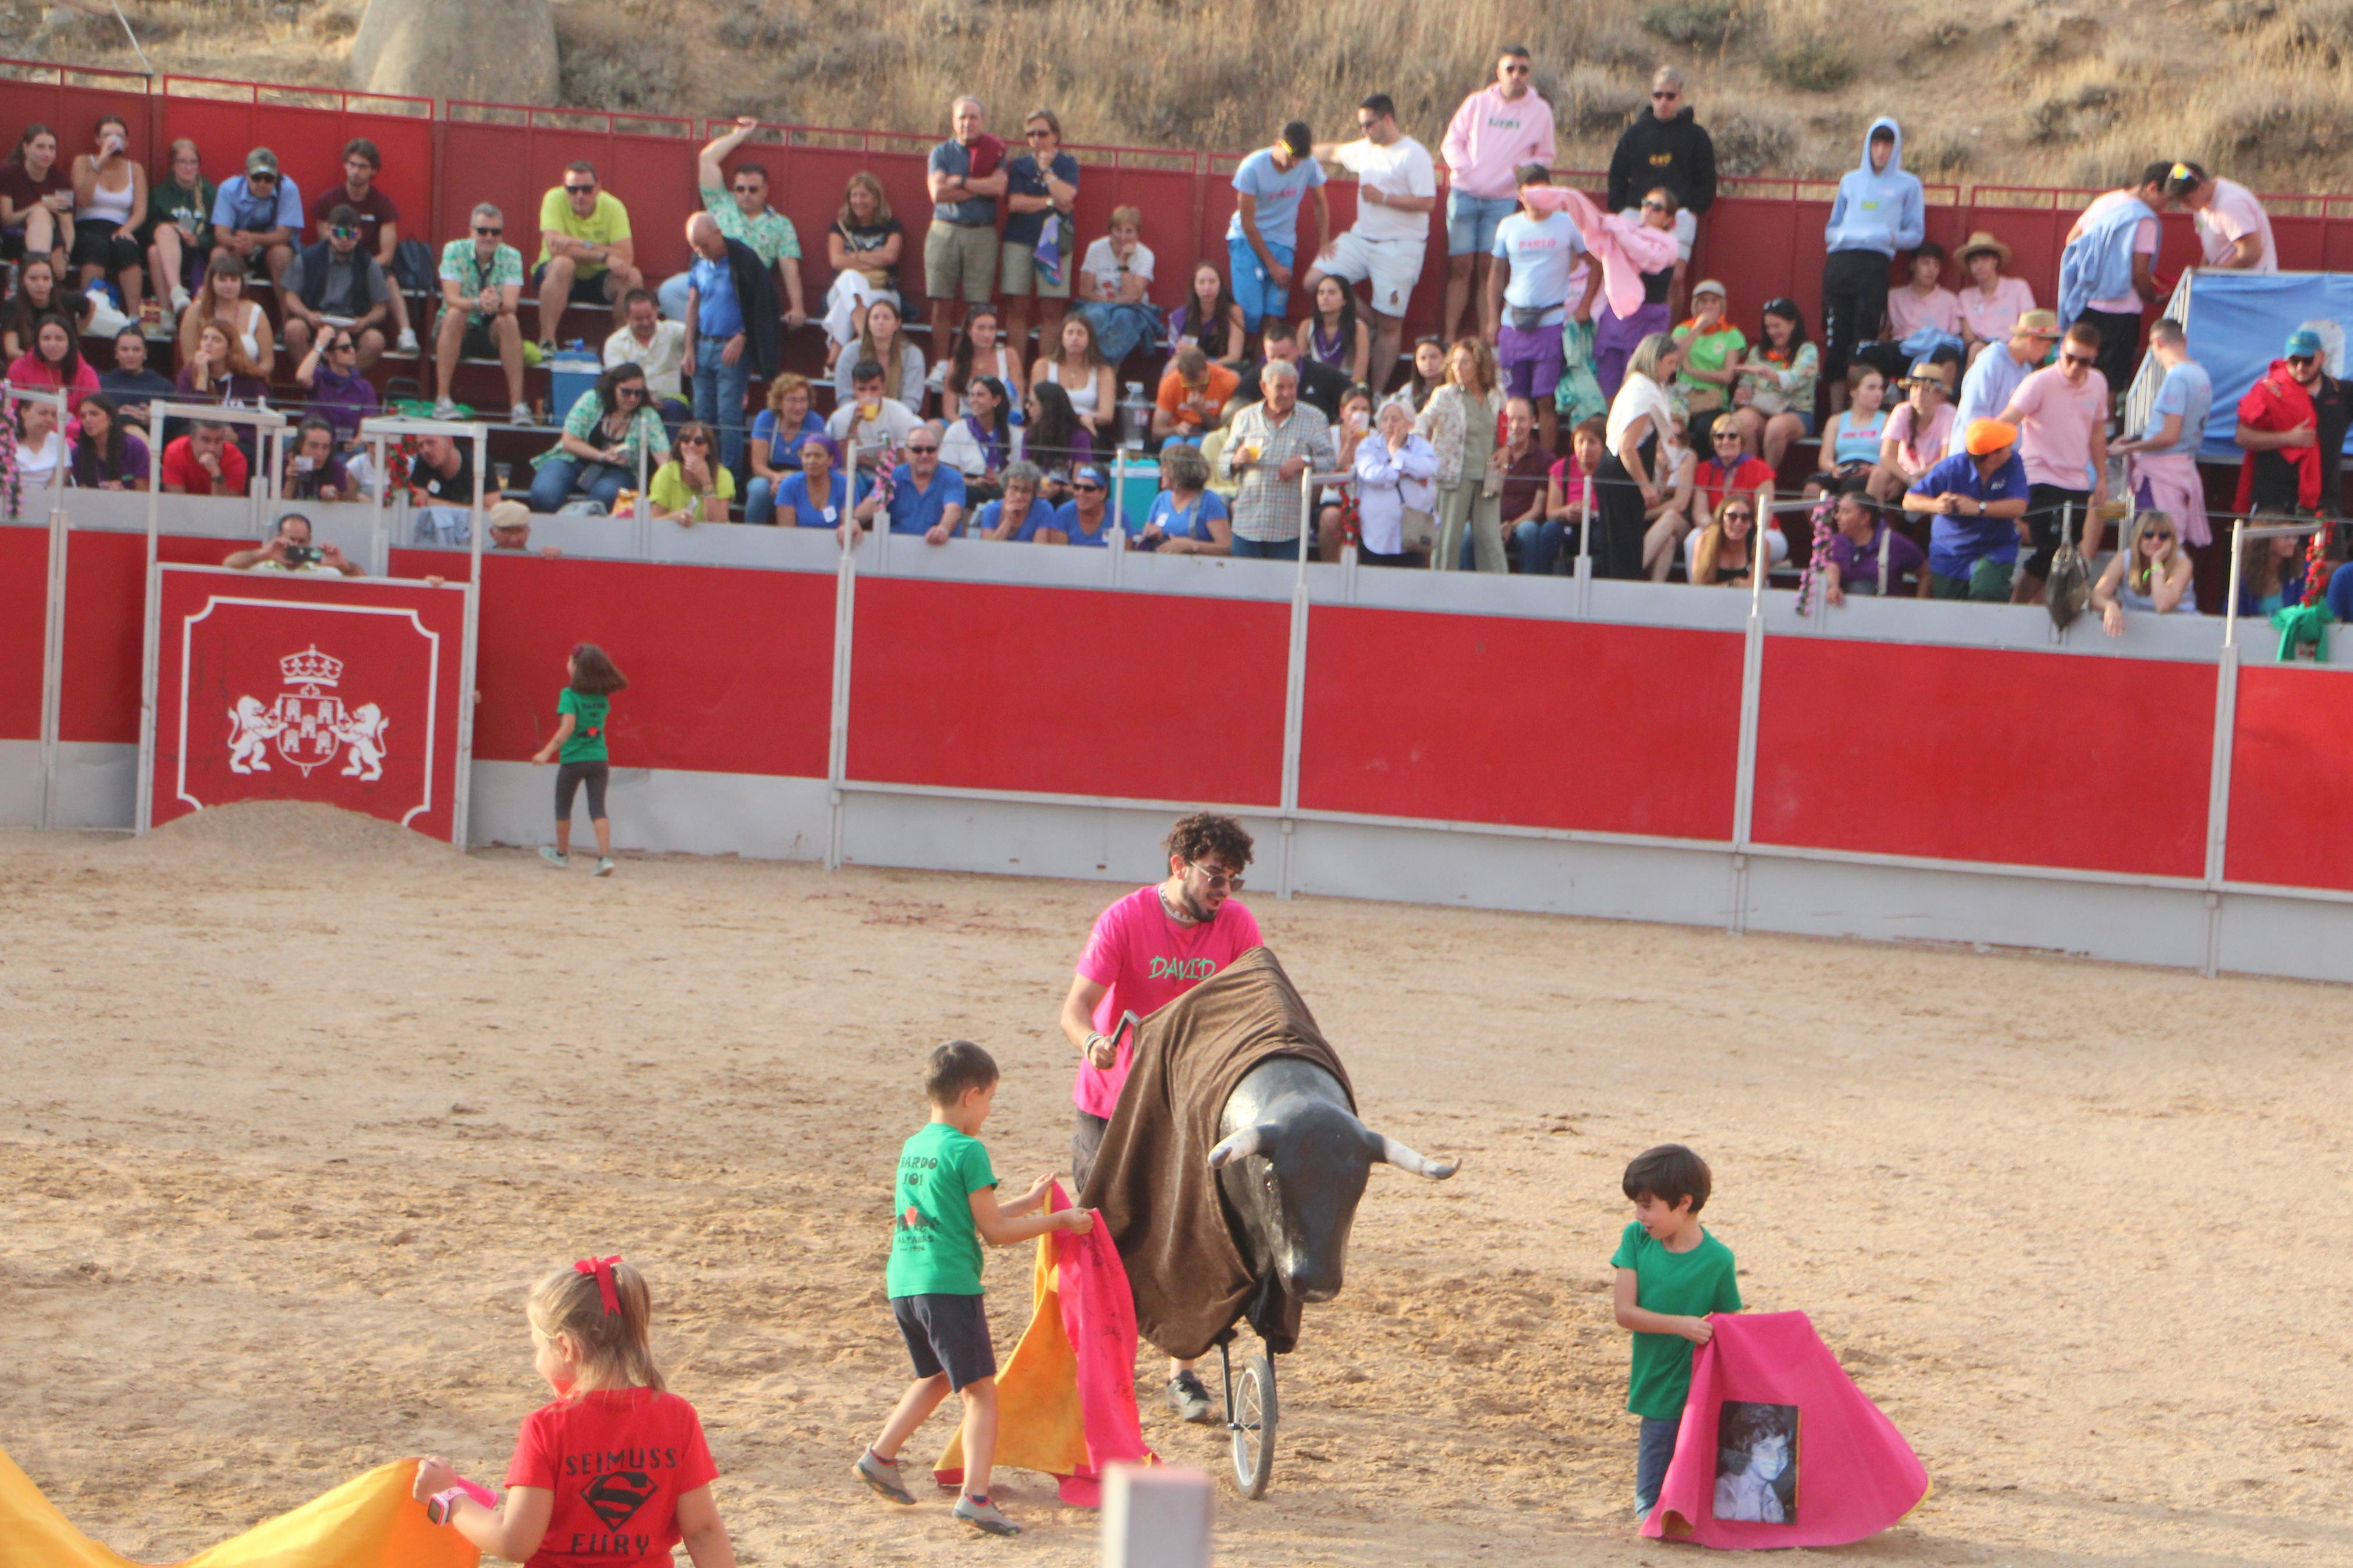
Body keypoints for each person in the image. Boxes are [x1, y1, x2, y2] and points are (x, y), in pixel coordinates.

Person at [1057, 814, 1260, 1421]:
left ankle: (1182, 1373)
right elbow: (1076, 1007)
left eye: (1233, 880)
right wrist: (1093, 1044)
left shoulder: (1236, 925)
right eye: (1215, 877)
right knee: (1103, 1237)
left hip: (1188, 1106)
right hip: (1111, 1105)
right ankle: (1096, 1368)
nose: (1223, 892)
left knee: (1191, 1237)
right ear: (1179, 866)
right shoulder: (1124, 918)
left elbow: (1256, 1004)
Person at [858, 1039, 1094, 1538]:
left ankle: (880, 1456)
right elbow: (994, 1233)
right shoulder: (968, 1149)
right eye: (990, 1098)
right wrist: (1061, 1220)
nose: (988, 1110)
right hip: (949, 1285)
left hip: (906, 1282)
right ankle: (976, 1497)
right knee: (983, 1394)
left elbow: (965, 1215)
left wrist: (1028, 1202)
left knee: (938, 1377)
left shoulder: (915, 1145)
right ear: (971, 1095)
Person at [408, 1256, 732, 1563]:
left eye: (537, 1348)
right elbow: (703, 1531)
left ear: (565, 1346)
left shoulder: (547, 1427)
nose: (536, 1363)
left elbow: (514, 1542)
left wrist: (450, 1497)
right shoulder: (677, 1416)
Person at [1613, 1143, 1740, 1525]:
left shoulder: (1718, 1259)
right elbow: (1624, 1312)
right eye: (1637, 1205)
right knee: (1648, 1502)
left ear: (1683, 1202)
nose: (1639, 1215)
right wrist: (1683, 1324)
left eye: (1647, 1205)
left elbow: (1730, 1326)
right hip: (1655, 1386)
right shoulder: (1635, 1238)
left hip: (1698, 1390)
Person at [1305, 94, 1436, 392]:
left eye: (1368, 125)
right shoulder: (1366, 149)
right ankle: (1367, 320)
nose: (1363, 131)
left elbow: (1428, 201)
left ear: (1387, 119)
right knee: (1315, 281)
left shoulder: (1412, 154)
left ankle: (1373, 393)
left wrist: (1385, 199)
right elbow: (1336, 152)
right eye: (1361, 126)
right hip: (1362, 237)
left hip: (1399, 245)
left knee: (1392, 324)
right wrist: (1296, 149)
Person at [1441, 45, 1556, 346]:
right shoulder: (1477, 103)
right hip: (1464, 194)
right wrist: (1465, 169)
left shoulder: (1540, 110)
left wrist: (1518, 177)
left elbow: (1545, 155)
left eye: (1523, 70)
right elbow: (1452, 142)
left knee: (1490, 269)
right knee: (1460, 267)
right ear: (1498, 72)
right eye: (1510, 69)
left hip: (1503, 200)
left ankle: (1484, 341)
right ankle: (1450, 339)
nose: (1516, 76)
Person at [1997, 319, 2113, 600]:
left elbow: (2097, 434)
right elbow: (2008, 421)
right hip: (2040, 474)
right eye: (2070, 358)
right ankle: (2020, 603)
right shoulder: (2039, 382)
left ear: (2094, 358)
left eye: (2083, 362)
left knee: (2063, 551)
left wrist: (2102, 479)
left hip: (2076, 478)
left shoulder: (2098, 382)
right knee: (2050, 544)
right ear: (2060, 351)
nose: (2074, 367)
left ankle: (2031, 606)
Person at [1488, 162, 1596, 453]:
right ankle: (1509, 458)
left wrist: (1584, 304)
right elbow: (1496, 273)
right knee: (1512, 401)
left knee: (1546, 400)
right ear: (1520, 194)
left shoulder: (1566, 223)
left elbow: (1595, 262)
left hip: (1550, 321)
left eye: (1542, 188)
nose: (1537, 195)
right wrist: (1491, 319)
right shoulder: (1509, 226)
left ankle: (1547, 464)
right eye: (1530, 190)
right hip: (1513, 321)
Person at [664, 118, 807, 331]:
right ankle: (700, 334)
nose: (746, 195)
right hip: (710, 274)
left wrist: (798, 307)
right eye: (740, 189)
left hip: (747, 284)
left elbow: (789, 267)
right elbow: (707, 158)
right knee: (669, 291)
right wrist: (738, 135)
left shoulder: (781, 224)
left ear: (766, 191)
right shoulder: (721, 203)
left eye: (753, 189)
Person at [1820, 119, 1924, 406]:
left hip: (1875, 265)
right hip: (1841, 262)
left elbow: (1916, 234)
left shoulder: (1909, 184)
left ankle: (1861, 412)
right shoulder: (1850, 180)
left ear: (1896, 147)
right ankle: (1836, 417)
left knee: (1864, 341)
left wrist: (1886, 236)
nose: (1881, 151)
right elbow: (1831, 228)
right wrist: (1845, 235)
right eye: (1876, 144)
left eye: (1887, 145)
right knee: (1836, 340)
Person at [681, 212, 785, 476]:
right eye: (696, 247)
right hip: (704, 343)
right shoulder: (699, 262)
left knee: (729, 416)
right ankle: (701, 471)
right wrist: (688, 348)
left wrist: (744, 336)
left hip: (732, 347)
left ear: (718, 233)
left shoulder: (743, 259)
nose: (702, 251)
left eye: (705, 245)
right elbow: (693, 304)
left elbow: (762, 305)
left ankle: (729, 476)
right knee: (702, 415)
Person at [1606, 66, 1716, 316]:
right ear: (1651, 96)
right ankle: (1625, 327)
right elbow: (1617, 174)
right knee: (1624, 272)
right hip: (1637, 212)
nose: (1663, 102)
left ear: (1680, 98)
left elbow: (1707, 179)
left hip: (1678, 216)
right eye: (1658, 95)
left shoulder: (1696, 136)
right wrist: (1622, 208)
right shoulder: (1634, 134)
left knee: (1675, 277)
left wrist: (1693, 210)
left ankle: (1666, 338)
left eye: (1670, 96)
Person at [2058, 162, 2169, 397]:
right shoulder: (2145, 220)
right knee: (2110, 379)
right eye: (2166, 199)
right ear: (2152, 188)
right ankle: (2105, 428)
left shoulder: (2105, 201)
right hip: (2121, 310)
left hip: (2085, 300)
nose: (2166, 207)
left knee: (2078, 368)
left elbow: (2072, 240)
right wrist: (2154, 297)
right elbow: (2140, 273)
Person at [2109, 318, 2212, 548]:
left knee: (2153, 546)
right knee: (2172, 543)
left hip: (2161, 475)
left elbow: (2169, 436)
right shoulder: (2201, 375)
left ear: (2156, 343)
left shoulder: (2177, 378)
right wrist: (2138, 440)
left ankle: (2152, 584)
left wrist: (2127, 448)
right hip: (2182, 467)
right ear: (2183, 342)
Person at [308, 137, 418, 354]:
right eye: (352, 164)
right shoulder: (328, 201)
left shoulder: (383, 205)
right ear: (345, 165)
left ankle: (406, 333)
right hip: (334, 262)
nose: (356, 171)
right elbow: (324, 243)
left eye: (363, 166)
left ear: (374, 171)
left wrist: (362, 265)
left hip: (370, 266)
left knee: (389, 277)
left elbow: (387, 255)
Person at [1218, 359, 1334, 560]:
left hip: (1289, 527)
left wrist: (1305, 461)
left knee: (1285, 588)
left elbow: (1330, 460)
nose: (1287, 393)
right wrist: (1236, 459)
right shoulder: (1244, 417)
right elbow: (1222, 465)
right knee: (1242, 586)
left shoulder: (1314, 418)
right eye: (1280, 387)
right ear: (1264, 387)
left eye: (1292, 386)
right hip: (1249, 523)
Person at [924, 97, 1009, 369]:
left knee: (978, 307)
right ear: (953, 121)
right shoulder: (941, 153)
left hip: (982, 233)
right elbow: (938, 193)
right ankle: (940, 365)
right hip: (945, 230)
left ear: (982, 121)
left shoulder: (995, 150)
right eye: (962, 117)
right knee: (942, 302)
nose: (967, 123)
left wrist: (960, 182)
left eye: (973, 117)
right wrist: (978, 187)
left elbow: (999, 188)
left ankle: (967, 365)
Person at [1905, 417, 2031, 600]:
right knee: (1949, 610)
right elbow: (1909, 500)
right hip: (1951, 552)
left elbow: (2019, 506)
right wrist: (1935, 505)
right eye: (2006, 446)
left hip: (1996, 548)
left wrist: (1979, 508)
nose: (2011, 448)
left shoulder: (2013, 462)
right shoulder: (1950, 468)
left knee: (1988, 590)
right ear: (1991, 457)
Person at [530, 643, 628, 872]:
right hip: (598, 759)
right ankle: (604, 857)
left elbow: (568, 727)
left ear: (576, 667)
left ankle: (563, 853)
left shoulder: (569, 695)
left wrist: (546, 752)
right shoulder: (602, 698)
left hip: (573, 759)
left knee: (563, 807)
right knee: (598, 809)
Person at [429, 201, 528, 423]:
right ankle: (442, 400)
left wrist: (494, 305)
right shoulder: (454, 250)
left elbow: (511, 304)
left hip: (491, 328)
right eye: (483, 231)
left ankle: (518, 407)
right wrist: (479, 302)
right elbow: (451, 298)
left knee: (509, 320)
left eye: (496, 232)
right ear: (471, 231)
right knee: (455, 314)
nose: (489, 237)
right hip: (455, 329)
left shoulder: (512, 256)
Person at [1226, 121, 1329, 336]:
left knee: (1274, 314)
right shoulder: (1252, 167)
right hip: (1247, 240)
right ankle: (1238, 358)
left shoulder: (1308, 165)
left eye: (1300, 158)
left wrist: (1324, 243)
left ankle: (1266, 363)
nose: (1294, 163)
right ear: (1278, 144)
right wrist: (1271, 265)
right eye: (1291, 156)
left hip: (1283, 241)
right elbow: (1247, 222)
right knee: (1250, 314)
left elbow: (1321, 203)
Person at [1414, 337, 1507, 573]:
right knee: (1448, 539)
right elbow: (1424, 420)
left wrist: (1507, 448)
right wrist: (1414, 447)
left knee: (1489, 538)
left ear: (1480, 364)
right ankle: (1441, 593)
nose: (1457, 368)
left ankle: (1498, 592)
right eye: (1454, 362)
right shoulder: (1445, 394)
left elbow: (1508, 427)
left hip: (1488, 475)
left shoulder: (1497, 394)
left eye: (1464, 362)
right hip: (1454, 473)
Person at [1595, 333, 1681, 579]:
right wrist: (1646, 486)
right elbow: (1627, 447)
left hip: (1620, 471)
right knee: (1624, 548)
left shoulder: (1637, 386)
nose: (1673, 370)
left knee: (1625, 545)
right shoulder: (1642, 393)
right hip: (1623, 475)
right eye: (1670, 363)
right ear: (1655, 360)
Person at [530, 362, 669, 514]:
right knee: (544, 494)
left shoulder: (647, 415)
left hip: (620, 470)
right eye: (626, 392)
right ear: (613, 387)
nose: (632, 398)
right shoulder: (592, 400)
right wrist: (602, 456)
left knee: (604, 497)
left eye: (638, 393)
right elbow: (569, 441)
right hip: (572, 459)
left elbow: (664, 459)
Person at [1000, 108, 1079, 366]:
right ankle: (1015, 372)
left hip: (1055, 242)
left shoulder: (1067, 164)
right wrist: (1049, 200)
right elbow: (1015, 204)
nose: (1036, 139)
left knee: (1052, 309)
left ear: (1055, 135)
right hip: (1019, 240)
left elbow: (1067, 197)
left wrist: (1046, 171)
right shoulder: (1020, 165)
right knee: (1016, 307)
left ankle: (1044, 374)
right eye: (1030, 134)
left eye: (1042, 133)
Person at [534, 161, 641, 350]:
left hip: (599, 279)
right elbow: (555, 247)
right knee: (563, 264)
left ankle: (620, 348)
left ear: (598, 188)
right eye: (573, 190)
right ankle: (547, 343)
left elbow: (626, 256)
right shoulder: (553, 198)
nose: (579, 196)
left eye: (586, 189)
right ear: (564, 188)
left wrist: (580, 243)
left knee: (632, 276)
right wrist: (604, 255)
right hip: (557, 276)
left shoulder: (613, 207)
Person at [279, 203, 392, 368]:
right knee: (293, 329)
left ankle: (345, 380)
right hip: (316, 322)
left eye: (350, 234)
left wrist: (365, 321)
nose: (344, 239)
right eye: (338, 233)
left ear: (359, 234)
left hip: (352, 326)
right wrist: (307, 314)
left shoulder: (368, 263)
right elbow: (290, 296)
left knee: (375, 341)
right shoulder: (307, 258)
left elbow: (381, 306)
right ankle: (315, 377)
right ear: (328, 232)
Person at [1593, 189, 1680, 401]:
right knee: (1609, 379)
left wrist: (1619, 232)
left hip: (1649, 319)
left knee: (1643, 380)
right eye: (1646, 203)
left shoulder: (1669, 244)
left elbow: (1644, 254)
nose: (1649, 210)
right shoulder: (1626, 231)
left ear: (1668, 218)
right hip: (1620, 315)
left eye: (1657, 207)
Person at [2233, 329, 2327, 520]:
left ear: (2321, 357)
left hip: (2321, 500)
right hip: (2271, 496)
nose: (2301, 367)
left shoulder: (2338, 393)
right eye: (2294, 361)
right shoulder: (2268, 389)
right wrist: (2288, 438)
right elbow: (2242, 436)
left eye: (2308, 360)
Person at [1947, 308, 2059, 457]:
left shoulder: (2026, 370)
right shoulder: (1990, 363)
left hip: (2003, 461)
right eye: (2047, 345)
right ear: (2032, 339)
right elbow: (1973, 416)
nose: (2047, 352)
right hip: (1975, 459)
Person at [68, 116, 145, 323]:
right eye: (108, 136)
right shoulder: (84, 162)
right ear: (97, 140)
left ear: (127, 142)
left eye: (119, 136)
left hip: (120, 226)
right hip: (88, 227)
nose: (114, 140)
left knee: (127, 248)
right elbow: (82, 200)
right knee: (97, 246)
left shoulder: (135, 169)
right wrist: (100, 162)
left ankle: (135, 317)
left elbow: (140, 210)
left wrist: (127, 229)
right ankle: (86, 314)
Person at [824, 173, 904, 354]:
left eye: (864, 195)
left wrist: (855, 258)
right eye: (854, 195)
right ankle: (864, 337)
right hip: (842, 290)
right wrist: (875, 260)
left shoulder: (892, 227)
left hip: (881, 291)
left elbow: (890, 257)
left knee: (847, 298)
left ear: (876, 200)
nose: (858, 201)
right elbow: (836, 261)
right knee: (849, 280)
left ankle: (834, 356)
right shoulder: (840, 227)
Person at [851, 424, 966, 546]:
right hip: (897, 550)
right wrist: (855, 521)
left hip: (938, 549)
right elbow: (874, 502)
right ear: (906, 453)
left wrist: (943, 529)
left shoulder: (952, 478)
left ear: (938, 451)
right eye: (917, 450)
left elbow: (954, 510)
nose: (924, 455)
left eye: (931, 450)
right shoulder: (893, 475)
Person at [1074, 204, 1159, 366]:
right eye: (1118, 230)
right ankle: (1090, 367)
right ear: (1111, 230)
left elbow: (1134, 297)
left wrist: (1123, 264)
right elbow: (1085, 291)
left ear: (1137, 234)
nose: (1123, 237)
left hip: (1134, 308)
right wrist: (1112, 303)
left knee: (1123, 319)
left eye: (1129, 231)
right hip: (1098, 303)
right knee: (1096, 317)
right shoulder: (1096, 248)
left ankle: (1107, 371)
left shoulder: (1146, 255)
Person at [1519, 415, 1603, 575]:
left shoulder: (1609, 471)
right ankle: (1543, 579)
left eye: (1592, 442)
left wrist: (1592, 514)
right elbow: (1551, 512)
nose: (1585, 448)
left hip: (1597, 525)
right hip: (1569, 525)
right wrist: (1567, 511)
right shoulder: (1561, 468)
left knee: (1602, 537)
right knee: (1549, 530)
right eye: (1581, 442)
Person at [139, 138, 214, 317]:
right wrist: (173, 227)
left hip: (198, 254)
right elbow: (144, 231)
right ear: (173, 165)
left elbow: (220, 231)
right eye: (182, 162)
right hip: (170, 253)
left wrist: (199, 240)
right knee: (154, 250)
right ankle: (169, 310)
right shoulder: (159, 194)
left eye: (193, 162)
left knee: (160, 240)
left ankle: (174, 295)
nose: (188, 167)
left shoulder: (210, 193)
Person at [2091, 510, 2197, 634]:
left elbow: (2163, 605)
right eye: (2149, 535)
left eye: (2163, 536)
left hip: (2181, 630)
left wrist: (2156, 562)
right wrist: (2110, 606)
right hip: (2136, 632)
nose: (2156, 541)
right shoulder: (2124, 559)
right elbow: (2095, 597)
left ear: (2171, 540)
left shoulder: (2182, 562)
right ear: (2138, 537)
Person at [207, 147, 299, 287]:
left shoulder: (288, 189)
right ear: (246, 174)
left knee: (281, 253)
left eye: (268, 179)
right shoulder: (228, 189)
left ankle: (286, 309)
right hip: (238, 249)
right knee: (219, 254)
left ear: (276, 177)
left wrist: (254, 239)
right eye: (257, 178)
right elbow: (221, 234)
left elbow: (284, 235)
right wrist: (238, 243)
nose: (262, 183)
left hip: (271, 249)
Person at [176, 254, 274, 382]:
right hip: (208, 383)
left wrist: (247, 382)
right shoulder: (195, 311)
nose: (229, 285)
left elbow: (267, 363)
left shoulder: (256, 312)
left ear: (241, 282)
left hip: (247, 384)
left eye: (234, 280)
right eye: (222, 280)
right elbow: (189, 361)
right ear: (211, 281)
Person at [1819, 482, 1924, 602]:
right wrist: (1833, 587)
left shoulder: (1895, 543)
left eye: (1845, 511)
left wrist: (1920, 605)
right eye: (1838, 511)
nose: (1837, 517)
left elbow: (1925, 573)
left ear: (1865, 518)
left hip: (1886, 614)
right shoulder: (1835, 543)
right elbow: (1831, 565)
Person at [1669, 278, 1742, 448]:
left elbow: (1727, 376)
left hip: (1712, 400)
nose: (1708, 306)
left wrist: (1692, 371)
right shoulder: (1683, 330)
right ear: (1695, 305)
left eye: (1714, 301)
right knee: (1671, 427)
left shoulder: (1731, 335)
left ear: (1721, 305)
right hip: (1682, 398)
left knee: (1704, 430)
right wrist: (1698, 328)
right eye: (1703, 302)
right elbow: (1676, 358)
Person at [1230, 318, 1350, 422]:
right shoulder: (1255, 378)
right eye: (1272, 358)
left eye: (1283, 356)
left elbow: (1353, 399)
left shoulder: (1324, 374)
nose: (1277, 362)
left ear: (1297, 350)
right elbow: (1237, 407)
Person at [2166, 160, 2275, 275]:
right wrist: (2203, 276)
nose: (2185, 207)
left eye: (2187, 200)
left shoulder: (2231, 204)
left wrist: (2211, 273)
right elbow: (2210, 249)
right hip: (2225, 282)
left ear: (2202, 187)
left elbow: (2252, 252)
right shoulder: (2201, 204)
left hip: (2250, 284)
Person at [746, 374, 827, 523]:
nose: (799, 407)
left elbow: (819, 465)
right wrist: (776, 477)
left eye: (803, 400)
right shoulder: (766, 419)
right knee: (758, 490)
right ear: (779, 402)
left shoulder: (815, 422)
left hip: (805, 477)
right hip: (769, 476)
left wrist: (790, 480)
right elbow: (758, 466)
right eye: (792, 400)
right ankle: (751, 538)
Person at [604, 287, 691, 424]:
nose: (645, 322)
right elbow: (618, 381)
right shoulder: (615, 343)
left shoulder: (674, 331)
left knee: (675, 406)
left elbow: (698, 334)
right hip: (633, 402)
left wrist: (689, 351)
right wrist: (645, 400)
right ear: (626, 317)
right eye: (639, 319)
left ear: (656, 310)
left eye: (649, 316)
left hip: (669, 403)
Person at [1031, 312, 1115, 449]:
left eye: (1080, 334)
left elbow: (1106, 415)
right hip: (1051, 429)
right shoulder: (1043, 366)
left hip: (1087, 429)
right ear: (1062, 338)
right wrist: (1073, 419)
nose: (1075, 338)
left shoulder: (1103, 372)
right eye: (1070, 333)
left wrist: (1086, 420)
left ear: (1090, 339)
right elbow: (1036, 408)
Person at [1873, 360, 1953, 503]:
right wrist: (1908, 479)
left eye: (1927, 389)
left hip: (1934, 474)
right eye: (1915, 387)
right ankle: (1877, 522)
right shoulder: (1902, 411)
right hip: (1903, 474)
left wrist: (1918, 477)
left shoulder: (1949, 414)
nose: (1919, 393)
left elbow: (1945, 460)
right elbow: (1886, 457)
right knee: (1879, 475)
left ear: (1940, 395)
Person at [2, 123, 74, 280]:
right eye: (40, 147)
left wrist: (66, 254)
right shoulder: (8, 173)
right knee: (41, 213)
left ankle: (40, 278)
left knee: (57, 254)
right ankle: (39, 274)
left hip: (51, 236)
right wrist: (39, 206)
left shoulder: (61, 178)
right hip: (14, 235)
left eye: (51, 148)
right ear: (26, 147)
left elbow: (67, 224)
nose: (47, 153)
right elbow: (6, 219)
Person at [1954, 231, 2035, 361]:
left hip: (2012, 347)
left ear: (1995, 261)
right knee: (1976, 349)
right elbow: (1968, 336)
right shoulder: (1965, 296)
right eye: (1974, 262)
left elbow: (2028, 326)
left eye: (1985, 260)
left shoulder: (2018, 288)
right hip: (1979, 348)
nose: (1979, 266)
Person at [1140, 443, 1233, 556]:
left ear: (1180, 470)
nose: (1161, 470)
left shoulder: (1210, 501)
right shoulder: (1161, 499)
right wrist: (1149, 534)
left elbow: (1227, 548)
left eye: (1165, 466)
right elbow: (1142, 539)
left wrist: (1191, 546)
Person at [835, 296, 925, 411]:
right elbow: (845, 398)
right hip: (859, 415)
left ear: (897, 323)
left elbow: (912, 401)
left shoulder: (912, 354)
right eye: (875, 317)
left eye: (886, 318)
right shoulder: (850, 352)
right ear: (868, 323)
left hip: (898, 418)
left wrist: (888, 417)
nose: (881, 322)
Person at [1881, 240, 1961, 367]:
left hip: (1934, 350)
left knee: (1949, 354)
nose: (1931, 270)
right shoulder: (1894, 296)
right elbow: (1884, 332)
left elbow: (1954, 338)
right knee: (1862, 350)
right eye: (1926, 263)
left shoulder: (1950, 300)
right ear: (1912, 265)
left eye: (1936, 265)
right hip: (1901, 347)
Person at [294, 323, 381, 442]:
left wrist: (357, 442)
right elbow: (302, 377)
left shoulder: (364, 387)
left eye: (353, 346)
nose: (352, 351)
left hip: (349, 451)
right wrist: (319, 346)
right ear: (328, 354)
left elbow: (369, 426)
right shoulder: (319, 377)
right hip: (317, 447)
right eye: (345, 348)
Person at [830, 360, 925, 467]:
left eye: (874, 389)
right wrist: (854, 424)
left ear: (883, 388)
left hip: (891, 475)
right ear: (854, 390)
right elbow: (844, 463)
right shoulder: (841, 417)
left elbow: (905, 463)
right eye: (862, 389)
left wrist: (867, 462)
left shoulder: (900, 414)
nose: (868, 395)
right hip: (858, 474)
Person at [1812, 364, 1887, 496]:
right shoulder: (1836, 421)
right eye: (1871, 388)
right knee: (1812, 487)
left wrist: (1872, 470)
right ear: (1854, 391)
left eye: (1881, 388)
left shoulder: (1887, 420)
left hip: (1871, 470)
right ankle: (1820, 517)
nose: (1878, 394)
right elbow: (1825, 459)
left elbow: (1892, 457)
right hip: (1843, 468)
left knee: (1852, 486)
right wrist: (1834, 469)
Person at [943, 304, 1023, 421]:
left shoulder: (1009, 355)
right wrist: (968, 429)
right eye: (981, 328)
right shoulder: (957, 362)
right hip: (967, 422)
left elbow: (1018, 402)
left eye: (992, 328)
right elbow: (949, 411)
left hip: (1003, 421)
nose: (987, 335)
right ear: (969, 331)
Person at [6, 312, 99, 412]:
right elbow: (13, 409)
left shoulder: (86, 373)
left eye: (59, 339)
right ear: (37, 342)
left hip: (72, 427)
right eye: (46, 339)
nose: (52, 344)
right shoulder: (19, 368)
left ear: (70, 343)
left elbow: (92, 414)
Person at [938, 374, 1012, 500]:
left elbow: (1018, 474)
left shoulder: (1013, 434)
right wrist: (974, 482)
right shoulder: (957, 430)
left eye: (980, 395)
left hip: (1002, 492)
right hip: (967, 490)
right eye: (972, 395)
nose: (974, 400)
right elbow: (947, 474)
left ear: (996, 400)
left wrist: (1000, 481)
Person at [771, 433, 867, 529]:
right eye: (807, 456)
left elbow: (847, 529)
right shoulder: (789, 485)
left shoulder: (846, 485)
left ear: (831, 459)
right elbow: (786, 532)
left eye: (818, 456)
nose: (811, 461)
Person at [649, 421, 736, 525]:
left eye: (699, 442)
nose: (691, 445)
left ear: (709, 449)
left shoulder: (723, 475)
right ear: (679, 445)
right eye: (685, 440)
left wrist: (706, 482)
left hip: (711, 539)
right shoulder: (666, 473)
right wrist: (673, 517)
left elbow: (719, 524)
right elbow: (654, 522)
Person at [1687, 493, 1780, 587]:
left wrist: (1724, 586)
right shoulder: (1704, 541)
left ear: (1750, 523)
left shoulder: (1760, 545)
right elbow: (1698, 585)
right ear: (1721, 519)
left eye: (1745, 518)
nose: (1738, 522)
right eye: (1732, 517)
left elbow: (1753, 587)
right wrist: (1733, 583)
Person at [1152, 346, 1241, 446]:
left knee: (1197, 444)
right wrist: (1175, 430)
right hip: (1179, 435)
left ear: (1208, 369)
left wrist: (1202, 412)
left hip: (1211, 433)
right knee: (1172, 444)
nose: (1197, 390)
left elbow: (1231, 430)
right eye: (1190, 386)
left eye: (1203, 384)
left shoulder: (1228, 381)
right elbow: (1156, 431)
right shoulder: (1171, 384)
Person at [224, 510, 360, 575]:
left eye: (302, 541)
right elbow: (229, 564)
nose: (296, 545)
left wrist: (345, 567)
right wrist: (263, 554)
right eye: (291, 539)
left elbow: (364, 583)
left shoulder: (323, 571)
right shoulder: (262, 567)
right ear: (279, 537)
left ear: (310, 541)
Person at [1693, 421, 1774, 528]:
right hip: (1716, 528)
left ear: (1742, 440)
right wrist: (1718, 531)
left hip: (1757, 530)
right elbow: (1700, 514)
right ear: (1713, 442)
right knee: (1693, 539)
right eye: (1720, 436)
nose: (1726, 441)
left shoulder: (1760, 468)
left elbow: (1764, 516)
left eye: (1732, 436)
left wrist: (1741, 531)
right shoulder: (1704, 469)